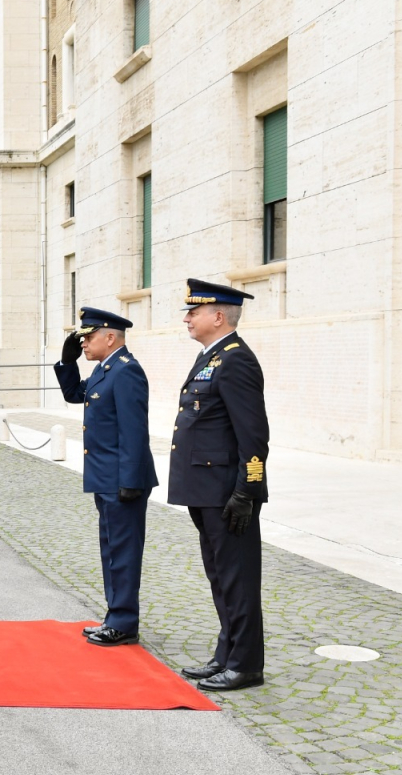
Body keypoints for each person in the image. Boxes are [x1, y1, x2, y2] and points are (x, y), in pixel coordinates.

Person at [170, 279, 270, 692]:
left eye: (194, 311)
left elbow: (254, 434)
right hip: (206, 488)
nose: (188, 317)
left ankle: (245, 664)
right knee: (221, 576)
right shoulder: (210, 357)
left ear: (218, 316)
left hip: (228, 492)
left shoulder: (236, 361)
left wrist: (247, 490)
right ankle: (226, 654)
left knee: (237, 577)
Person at [54, 307, 158, 647]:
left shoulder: (127, 372)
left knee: (123, 552)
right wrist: (67, 362)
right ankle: (116, 615)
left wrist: (130, 480)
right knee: (112, 549)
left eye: (88, 337)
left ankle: (124, 622)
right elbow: (74, 394)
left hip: (122, 481)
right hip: (106, 478)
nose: (83, 343)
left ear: (109, 337)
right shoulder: (105, 370)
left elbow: (134, 432)